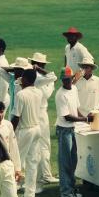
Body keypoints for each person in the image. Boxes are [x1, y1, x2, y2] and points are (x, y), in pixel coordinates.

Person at [55, 66, 93, 197]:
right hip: (64, 130)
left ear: (72, 78)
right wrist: (85, 119)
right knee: (65, 162)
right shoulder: (60, 95)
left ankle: (70, 188)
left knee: (73, 161)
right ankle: (66, 193)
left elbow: (76, 110)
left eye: (68, 79)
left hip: (72, 129)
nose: (66, 82)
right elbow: (67, 117)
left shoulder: (74, 89)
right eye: (64, 80)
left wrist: (86, 119)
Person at [11, 69, 42, 197]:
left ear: (27, 80)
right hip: (36, 129)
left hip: (25, 130)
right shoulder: (39, 92)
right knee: (32, 164)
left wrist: (9, 133)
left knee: (15, 163)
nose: (20, 79)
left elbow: (16, 117)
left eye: (22, 77)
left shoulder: (21, 95)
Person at [28, 52, 59, 187]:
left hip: (37, 112)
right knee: (44, 144)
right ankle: (45, 175)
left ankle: (43, 174)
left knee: (40, 145)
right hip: (40, 113)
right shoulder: (39, 77)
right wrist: (50, 82)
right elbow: (54, 77)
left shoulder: (35, 76)